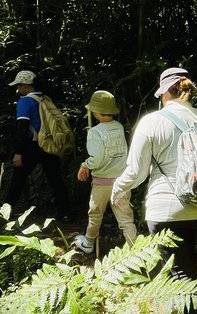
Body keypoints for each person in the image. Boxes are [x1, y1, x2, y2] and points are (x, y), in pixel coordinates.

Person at [111, 67, 197, 314]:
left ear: (164, 94)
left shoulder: (152, 122)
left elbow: (136, 172)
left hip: (166, 214)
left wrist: (117, 191)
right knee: (185, 268)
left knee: (181, 283)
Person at [74, 90, 137, 254]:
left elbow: (97, 157)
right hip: (122, 181)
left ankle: (88, 243)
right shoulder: (119, 126)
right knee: (126, 220)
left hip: (102, 182)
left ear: (95, 111)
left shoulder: (95, 132)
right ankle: (137, 251)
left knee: (95, 214)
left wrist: (85, 165)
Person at [5, 70, 71, 222]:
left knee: (18, 178)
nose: (18, 89)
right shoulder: (45, 98)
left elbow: (22, 127)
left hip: (31, 146)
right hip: (50, 144)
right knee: (55, 179)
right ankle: (65, 212)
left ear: (26, 86)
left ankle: (5, 212)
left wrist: (18, 152)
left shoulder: (25, 102)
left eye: (19, 85)